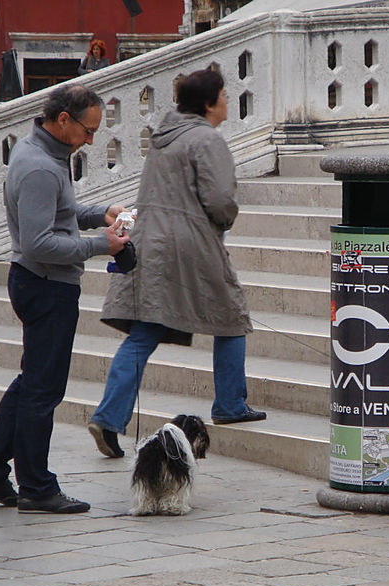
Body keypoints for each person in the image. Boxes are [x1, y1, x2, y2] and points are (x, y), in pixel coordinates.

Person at [0, 84, 130, 514]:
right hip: (45, 285)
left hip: (37, 282)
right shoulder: (41, 166)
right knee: (42, 390)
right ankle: (37, 487)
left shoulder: (42, 155)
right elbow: (41, 242)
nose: (91, 140)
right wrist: (102, 245)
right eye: (88, 130)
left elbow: (60, 212)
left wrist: (101, 214)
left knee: (31, 385)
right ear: (62, 120)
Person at [88, 68, 265, 460]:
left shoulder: (164, 138)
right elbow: (220, 199)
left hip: (151, 240)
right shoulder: (206, 138)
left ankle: (108, 417)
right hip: (190, 242)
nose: (226, 101)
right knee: (232, 316)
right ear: (209, 103)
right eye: (223, 94)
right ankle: (231, 404)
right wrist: (222, 224)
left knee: (144, 332)